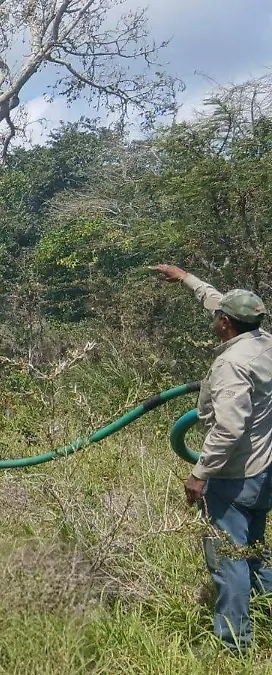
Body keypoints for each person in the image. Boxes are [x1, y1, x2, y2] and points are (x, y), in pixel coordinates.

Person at [152, 264, 272, 653]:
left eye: (219, 315)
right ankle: (264, 611)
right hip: (264, 469)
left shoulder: (232, 366)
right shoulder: (263, 341)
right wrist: (185, 277)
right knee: (251, 549)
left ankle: (234, 644)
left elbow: (229, 430)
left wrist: (200, 474)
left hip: (235, 475)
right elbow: (218, 300)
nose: (215, 315)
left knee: (227, 559)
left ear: (225, 324)